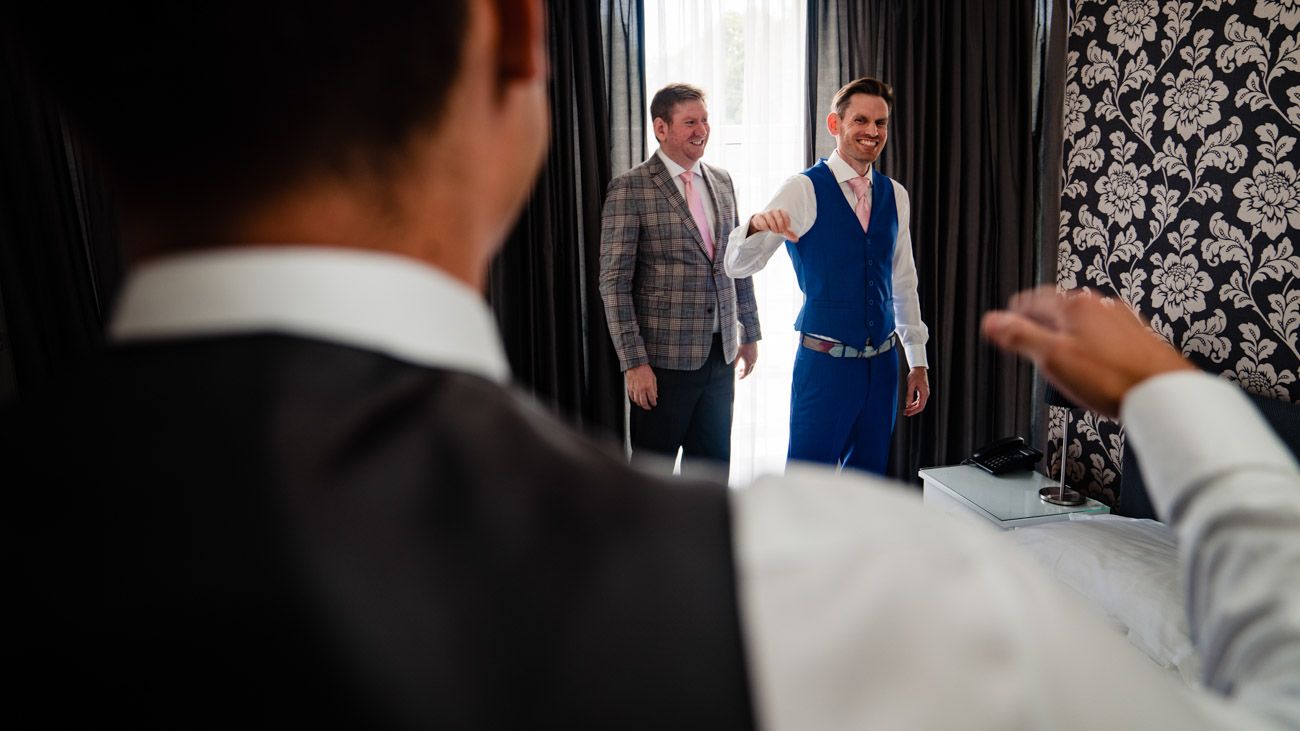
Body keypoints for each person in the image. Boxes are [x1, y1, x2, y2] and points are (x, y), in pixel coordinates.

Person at [4, 3, 1298, 729]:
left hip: (823, 359)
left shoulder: (883, 205)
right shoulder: (853, 592)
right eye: (859, 117)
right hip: (764, 369)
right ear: (518, 43)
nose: (871, 131)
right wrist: (1170, 395)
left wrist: (891, 344)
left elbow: (886, 280)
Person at [725, 76, 928, 476]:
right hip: (825, 367)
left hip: (883, 368)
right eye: (861, 120)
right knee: (807, 486)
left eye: (881, 123)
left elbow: (904, 282)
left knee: (866, 485)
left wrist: (917, 361)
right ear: (835, 124)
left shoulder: (895, 195)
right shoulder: (803, 189)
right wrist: (754, 225)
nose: (872, 132)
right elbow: (737, 264)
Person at [599, 83, 760, 477]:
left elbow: (736, 261)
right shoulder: (630, 188)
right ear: (661, 128)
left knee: (711, 476)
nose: (701, 130)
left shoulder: (722, 181)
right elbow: (614, 282)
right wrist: (634, 363)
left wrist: (750, 333)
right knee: (651, 480)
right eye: (690, 122)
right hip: (661, 364)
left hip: (721, 356)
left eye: (705, 120)